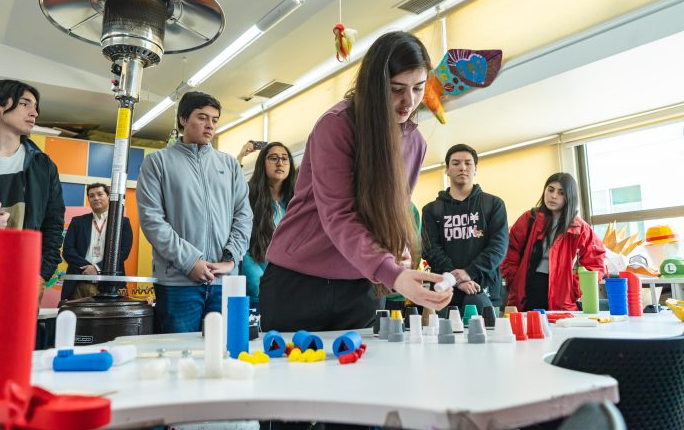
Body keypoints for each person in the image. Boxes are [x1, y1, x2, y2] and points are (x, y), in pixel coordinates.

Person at [260, 31, 452, 333]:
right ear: (374, 86)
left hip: (360, 285)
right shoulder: (336, 125)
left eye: (418, 88)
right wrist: (390, 271)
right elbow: (338, 214)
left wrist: (398, 248)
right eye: (396, 89)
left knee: (358, 378)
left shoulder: (414, 142)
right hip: (298, 281)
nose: (409, 101)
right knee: (291, 377)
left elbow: (398, 208)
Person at [137, 91, 252, 333]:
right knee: (180, 357)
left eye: (214, 119)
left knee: (226, 353)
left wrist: (230, 259)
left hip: (225, 281)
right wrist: (191, 262)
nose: (210, 125)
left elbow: (243, 215)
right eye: (202, 117)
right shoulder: (157, 162)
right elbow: (152, 221)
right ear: (182, 119)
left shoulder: (229, 164)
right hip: (179, 283)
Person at [0, 79, 64, 297]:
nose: (34, 112)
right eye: (24, 104)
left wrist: (41, 275)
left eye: (35, 106)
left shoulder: (44, 166)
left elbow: (53, 226)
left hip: (25, 282)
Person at [422, 144, 508, 312]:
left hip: (485, 292)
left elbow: (499, 247)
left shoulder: (493, 204)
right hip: (445, 295)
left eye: (468, 163)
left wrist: (469, 272)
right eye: (456, 163)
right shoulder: (431, 209)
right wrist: (457, 279)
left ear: (475, 169)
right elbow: (430, 249)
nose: (462, 168)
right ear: (447, 169)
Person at [501, 172, 606, 311]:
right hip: (527, 290)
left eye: (561, 193)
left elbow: (595, 263)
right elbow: (509, 250)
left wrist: (575, 288)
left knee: (560, 331)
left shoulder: (580, 228)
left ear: (569, 197)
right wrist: (513, 280)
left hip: (562, 294)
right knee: (528, 331)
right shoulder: (529, 219)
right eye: (550, 190)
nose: (553, 196)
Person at [241, 142, 297, 313]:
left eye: (284, 159)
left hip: (291, 290)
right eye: (273, 158)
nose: (280, 163)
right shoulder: (248, 195)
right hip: (258, 290)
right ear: (262, 164)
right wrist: (261, 286)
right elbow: (244, 249)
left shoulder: (296, 201)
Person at [61, 183, 133, 302]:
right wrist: (87, 268)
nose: (96, 198)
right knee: (78, 319)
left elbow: (123, 253)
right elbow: (68, 251)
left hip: (109, 285)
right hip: (79, 283)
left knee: (106, 320)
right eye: (91, 195)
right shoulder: (77, 222)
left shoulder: (122, 222)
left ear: (108, 196)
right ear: (88, 199)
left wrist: (97, 268)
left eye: (100, 194)